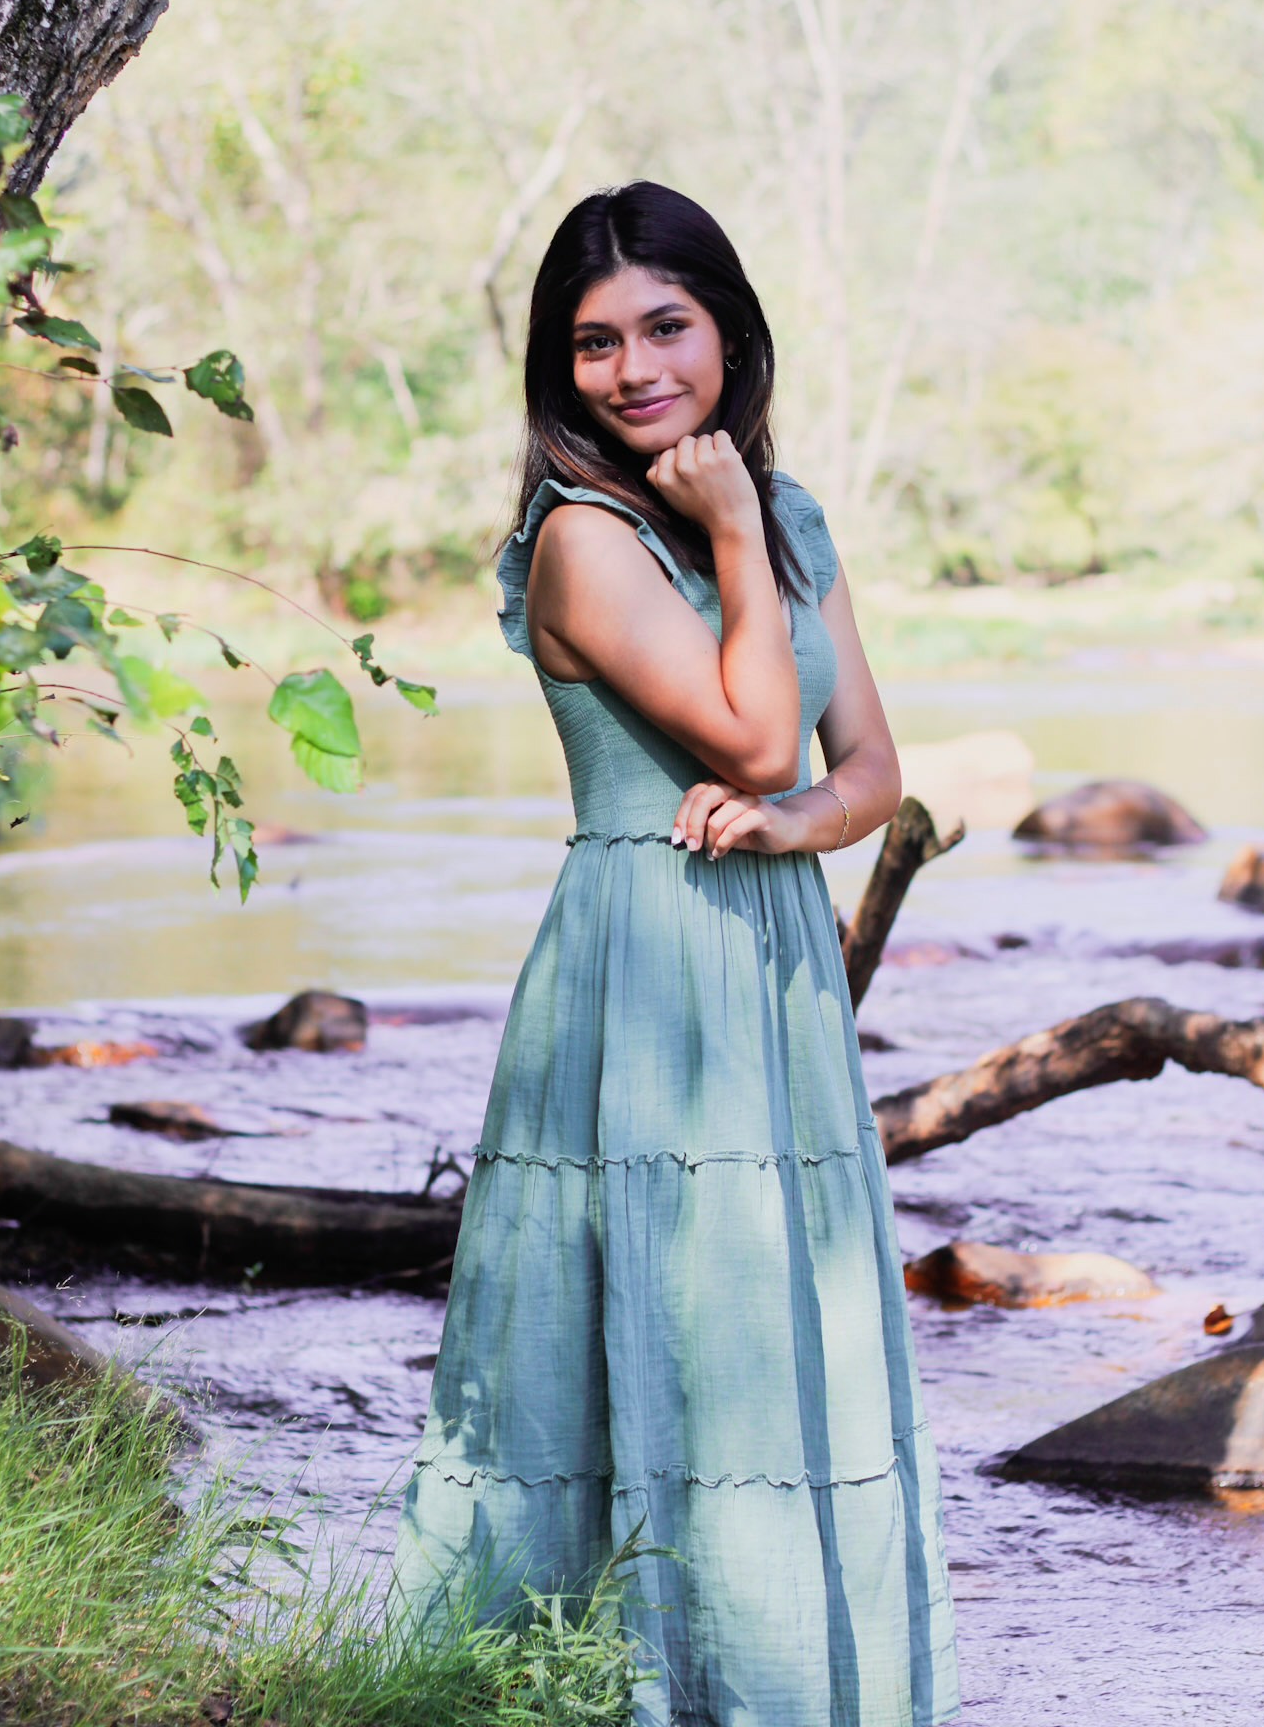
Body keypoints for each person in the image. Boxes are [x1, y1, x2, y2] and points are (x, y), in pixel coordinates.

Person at [393, 181, 960, 1726]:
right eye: (593, 343)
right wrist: (726, 525)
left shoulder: (789, 517)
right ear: (554, 369)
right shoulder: (584, 541)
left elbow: (864, 773)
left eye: (665, 327)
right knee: (643, 1325)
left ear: (728, 334)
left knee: (778, 1331)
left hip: (764, 960)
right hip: (643, 966)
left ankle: (778, 1688)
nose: (634, 368)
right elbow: (761, 729)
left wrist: (792, 832)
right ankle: (602, 1693)